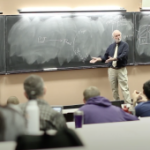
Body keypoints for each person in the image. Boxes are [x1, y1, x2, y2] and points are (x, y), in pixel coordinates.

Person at [90, 30, 131, 104]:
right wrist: (98, 59)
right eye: (116, 36)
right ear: (113, 37)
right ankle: (117, 105)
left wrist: (114, 58)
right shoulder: (111, 46)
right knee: (114, 89)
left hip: (121, 69)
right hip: (112, 70)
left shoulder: (125, 45)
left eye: (119, 35)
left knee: (124, 89)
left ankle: (128, 106)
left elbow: (124, 55)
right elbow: (106, 57)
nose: (118, 37)